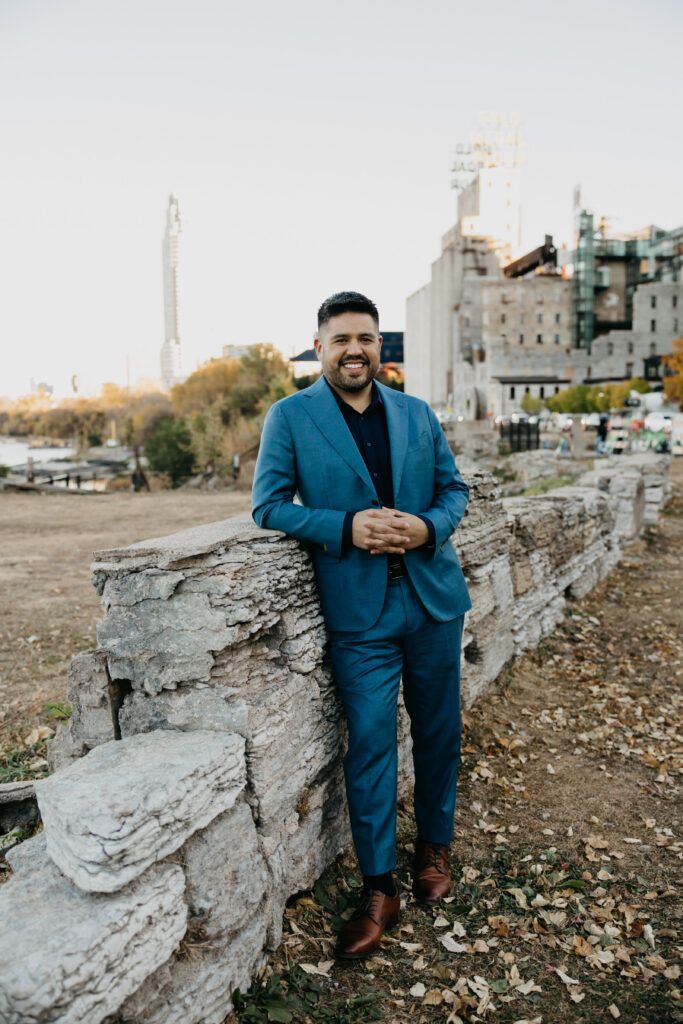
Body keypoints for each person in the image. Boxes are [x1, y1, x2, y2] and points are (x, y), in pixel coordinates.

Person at [252, 291, 471, 959]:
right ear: (318, 347)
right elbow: (268, 506)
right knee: (371, 743)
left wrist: (426, 525)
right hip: (359, 614)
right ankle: (379, 886)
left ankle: (433, 847)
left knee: (439, 732)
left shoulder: (414, 412)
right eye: (342, 338)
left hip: (433, 598)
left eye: (367, 338)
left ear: (381, 347)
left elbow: (453, 490)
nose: (355, 349)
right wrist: (343, 527)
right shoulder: (289, 417)